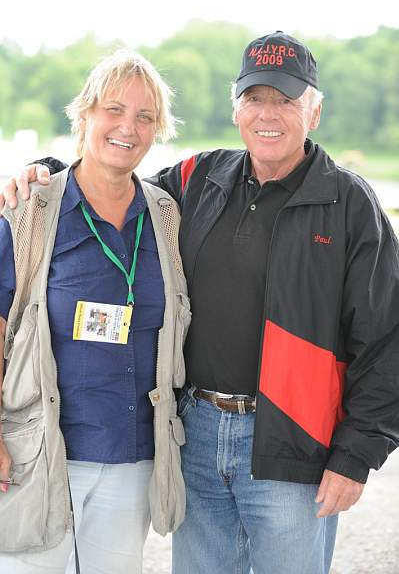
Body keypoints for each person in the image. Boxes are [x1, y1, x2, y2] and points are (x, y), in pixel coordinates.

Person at [3, 31, 399, 574]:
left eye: (286, 100)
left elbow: (385, 341)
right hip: (195, 436)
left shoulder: (351, 205)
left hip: (293, 446)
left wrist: (355, 457)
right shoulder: (198, 179)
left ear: (315, 109)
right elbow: (110, 182)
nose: (269, 115)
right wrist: (44, 170)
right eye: (256, 98)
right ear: (236, 108)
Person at [0, 49, 191, 574]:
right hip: (39, 453)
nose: (128, 127)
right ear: (83, 115)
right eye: (113, 109)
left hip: (132, 455)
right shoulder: (30, 209)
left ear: (157, 130)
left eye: (145, 116)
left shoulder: (166, 214)